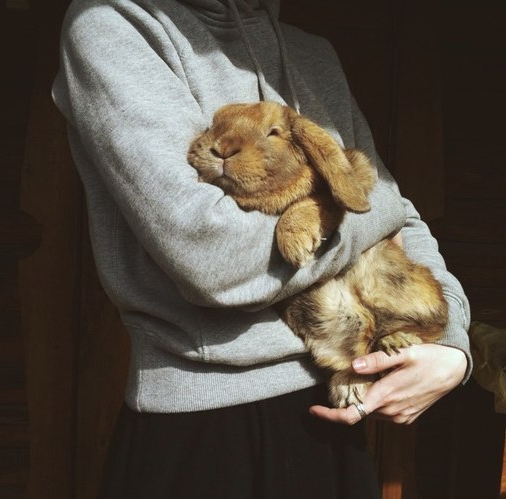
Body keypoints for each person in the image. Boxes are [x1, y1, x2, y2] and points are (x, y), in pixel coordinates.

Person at [52, 0, 471, 497]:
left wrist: (452, 346)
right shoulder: (114, 24)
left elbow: (400, 212)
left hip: (337, 402)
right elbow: (209, 257)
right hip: (202, 420)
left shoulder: (311, 54)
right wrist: (365, 210)